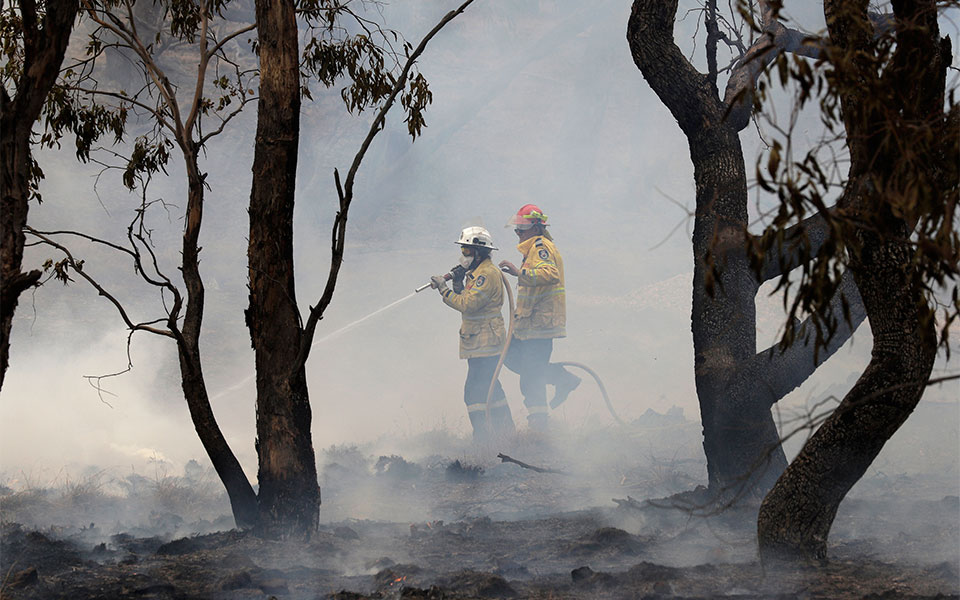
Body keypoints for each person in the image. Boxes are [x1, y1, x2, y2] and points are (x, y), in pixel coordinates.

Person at [498, 204, 581, 431]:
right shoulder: (532, 249)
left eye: (522, 229)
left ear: (536, 227)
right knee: (510, 358)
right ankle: (561, 378)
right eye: (516, 230)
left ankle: (539, 427)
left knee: (530, 378)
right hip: (528, 324)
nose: (518, 233)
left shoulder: (541, 247)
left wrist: (518, 272)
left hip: (540, 324)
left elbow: (549, 274)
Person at [431, 226, 516, 441]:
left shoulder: (486, 275)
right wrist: (457, 280)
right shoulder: (478, 273)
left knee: (473, 392)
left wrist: (443, 289)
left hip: (484, 341)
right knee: (492, 388)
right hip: (481, 340)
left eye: (467, 251)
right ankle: (507, 433)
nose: (463, 255)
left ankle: (483, 437)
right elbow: (467, 296)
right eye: (463, 250)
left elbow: (468, 304)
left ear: (479, 252)